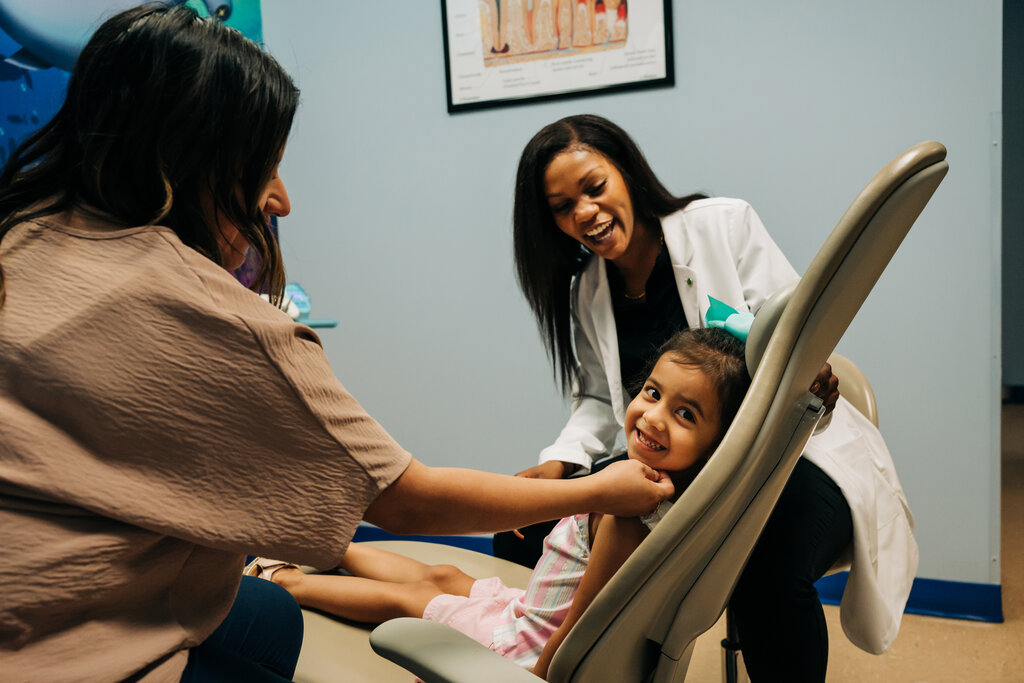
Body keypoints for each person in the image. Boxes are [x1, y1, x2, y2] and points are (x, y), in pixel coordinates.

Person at [0, 11, 674, 682]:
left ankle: (285, 579)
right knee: (392, 580)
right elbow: (409, 500)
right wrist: (590, 483)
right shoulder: (214, 316)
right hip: (57, 645)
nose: (282, 201)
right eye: (265, 168)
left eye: (592, 189)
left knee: (278, 610)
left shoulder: (22, 235)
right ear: (191, 163)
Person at [498, 114, 918, 682]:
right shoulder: (587, 289)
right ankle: (547, 659)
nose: (585, 213)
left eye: (595, 188)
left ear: (626, 174)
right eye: (562, 206)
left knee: (761, 568)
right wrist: (558, 465)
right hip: (690, 467)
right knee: (520, 528)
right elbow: (597, 400)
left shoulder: (723, 225)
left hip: (790, 458)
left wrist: (810, 372)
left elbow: (797, 337)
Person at [245, 327, 751, 679]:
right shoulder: (655, 492)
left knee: (414, 600)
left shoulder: (626, 514)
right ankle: (328, 549)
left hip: (527, 645)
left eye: (685, 414)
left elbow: (577, 637)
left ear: (718, 440)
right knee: (441, 575)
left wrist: (532, 678)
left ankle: (284, 582)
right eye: (652, 392)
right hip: (530, 609)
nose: (653, 416)